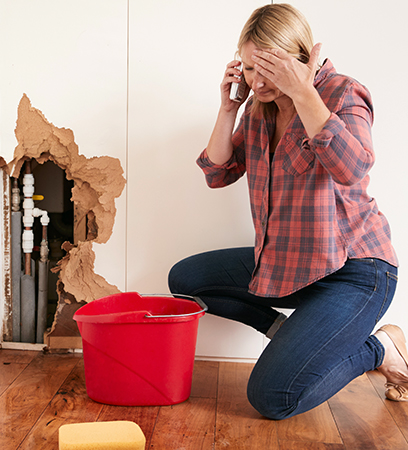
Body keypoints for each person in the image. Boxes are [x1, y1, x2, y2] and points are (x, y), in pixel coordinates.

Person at [168, 3, 405, 419]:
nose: (257, 82)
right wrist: (229, 108)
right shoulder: (260, 109)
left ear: (298, 60)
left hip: (356, 271)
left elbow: (352, 169)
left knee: (273, 398)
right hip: (291, 263)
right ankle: (284, 332)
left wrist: (303, 92)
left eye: (268, 69)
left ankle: (380, 349)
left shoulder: (343, 92)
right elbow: (218, 173)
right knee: (186, 280)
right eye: (248, 69)